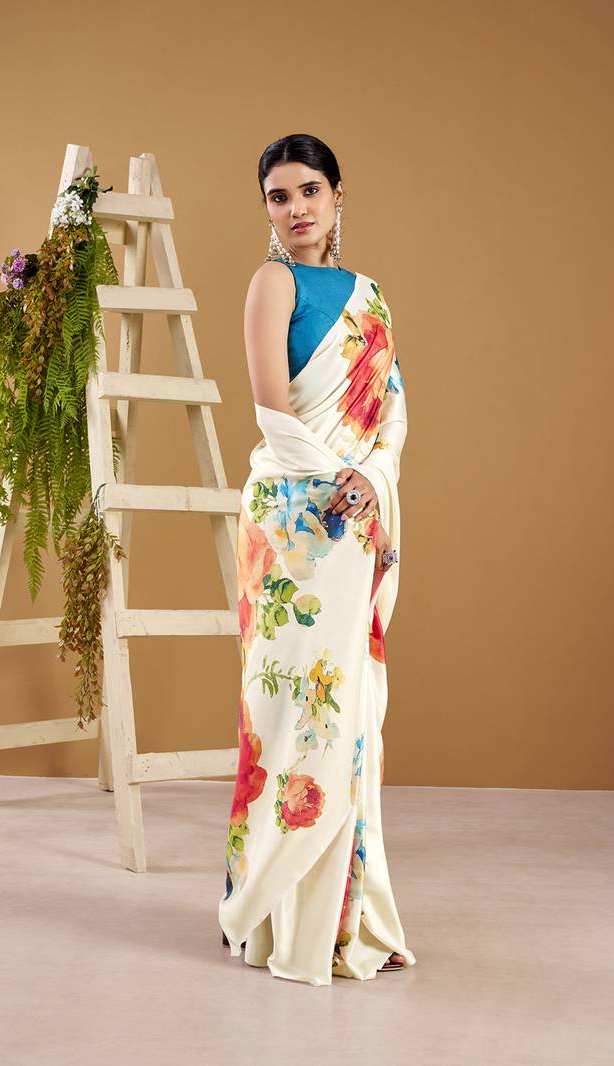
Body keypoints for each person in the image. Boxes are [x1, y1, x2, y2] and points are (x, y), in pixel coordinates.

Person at [218, 133, 415, 985]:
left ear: (337, 196)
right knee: (288, 711)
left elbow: (392, 410)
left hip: (355, 514)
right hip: (293, 523)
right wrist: (341, 484)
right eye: (278, 195)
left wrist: (373, 479)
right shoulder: (273, 284)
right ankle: (270, 915)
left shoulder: (369, 295)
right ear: (266, 208)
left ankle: (341, 916)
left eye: (308, 190)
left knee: (348, 718)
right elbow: (272, 410)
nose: (295, 208)